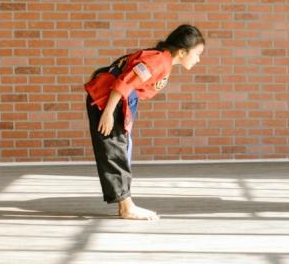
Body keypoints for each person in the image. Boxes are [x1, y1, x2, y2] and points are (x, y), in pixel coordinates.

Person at [84, 24, 205, 220]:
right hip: (109, 99)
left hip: (121, 100)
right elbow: (124, 82)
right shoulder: (158, 61)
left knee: (121, 149)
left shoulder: (162, 60)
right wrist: (108, 111)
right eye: (197, 53)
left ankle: (125, 204)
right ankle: (126, 207)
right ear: (182, 52)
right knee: (115, 151)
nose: (198, 59)